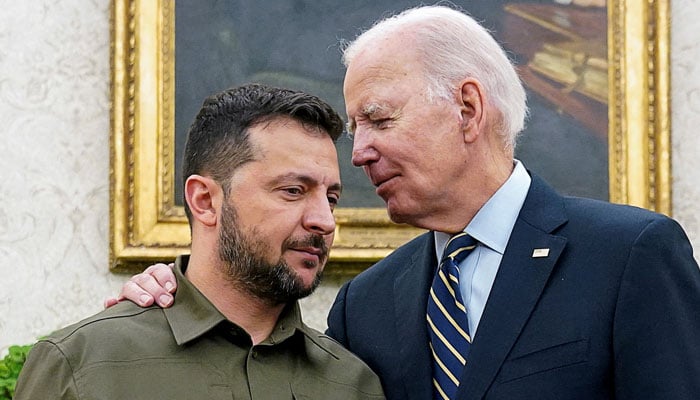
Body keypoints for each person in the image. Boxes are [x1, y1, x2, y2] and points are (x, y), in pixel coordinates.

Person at [111, 5, 700, 400]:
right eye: (355, 130)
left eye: (379, 120)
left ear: (468, 108)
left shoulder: (631, 256)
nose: (359, 152)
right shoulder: (365, 305)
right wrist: (175, 292)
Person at [15, 84, 385, 399]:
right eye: (292, 191)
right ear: (205, 201)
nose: (323, 220)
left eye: (331, 199)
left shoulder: (353, 384)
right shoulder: (83, 365)